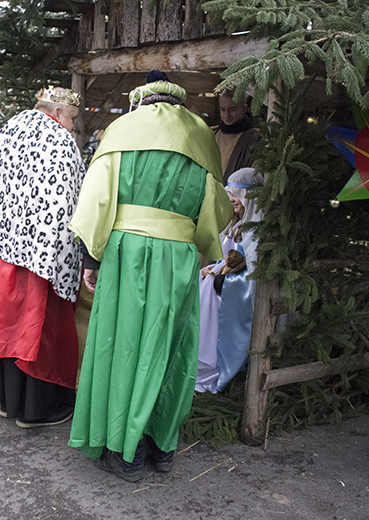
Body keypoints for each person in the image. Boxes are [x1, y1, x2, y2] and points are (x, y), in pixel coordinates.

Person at [67, 71, 232, 482]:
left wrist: (91, 258)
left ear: (142, 98)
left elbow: (97, 198)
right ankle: (162, 446)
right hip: (178, 256)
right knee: (169, 347)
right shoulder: (201, 136)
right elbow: (216, 211)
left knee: (123, 344)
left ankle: (126, 452)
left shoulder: (124, 129)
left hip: (128, 254)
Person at [0, 86, 86, 428]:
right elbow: (67, 202)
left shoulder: (7, 131)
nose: (73, 127)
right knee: (35, 327)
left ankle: (5, 400)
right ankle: (35, 409)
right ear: (57, 113)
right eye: (72, 119)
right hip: (39, 254)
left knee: (2, 322)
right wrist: (69, 253)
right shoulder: (59, 140)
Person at [196, 167, 263, 394]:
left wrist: (224, 282)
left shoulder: (257, 232)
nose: (232, 199)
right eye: (230, 194)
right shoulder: (236, 226)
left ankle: (222, 369)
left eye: (237, 194)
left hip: (236, 297)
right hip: (222, 287)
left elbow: (253, 274)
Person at [213, 90, 261, 184]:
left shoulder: (254, 139)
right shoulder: (213, 134)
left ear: (244, 109)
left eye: (232, 110)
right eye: (223, 110)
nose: (227, 115)